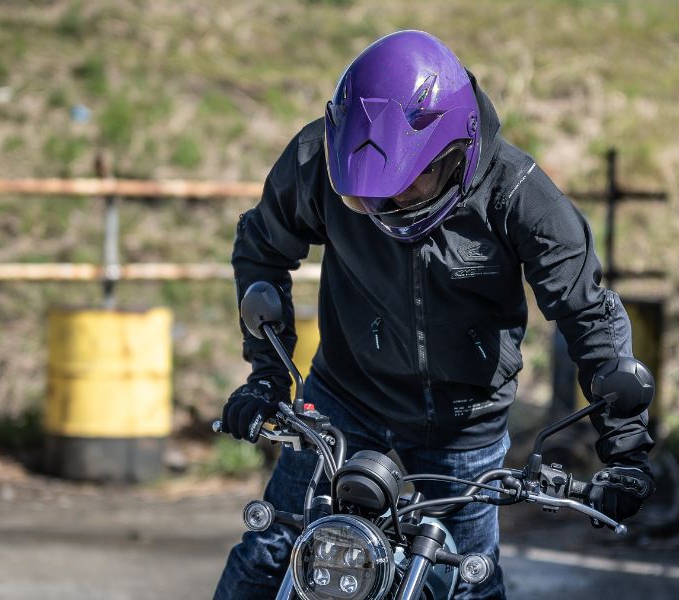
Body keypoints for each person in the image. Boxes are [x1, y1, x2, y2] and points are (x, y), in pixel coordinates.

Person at [215, 30, 654, 600]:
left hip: (463, 425)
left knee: (469, 580)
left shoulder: (520, 196)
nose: (383, 207)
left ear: (454, 153)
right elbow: (261, 248)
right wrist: (267, 375)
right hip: (344, 401)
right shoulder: (319, 161)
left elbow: (587, 311)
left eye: (405, 186)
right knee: (270, 551)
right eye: (363, 199)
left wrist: (625, 450)